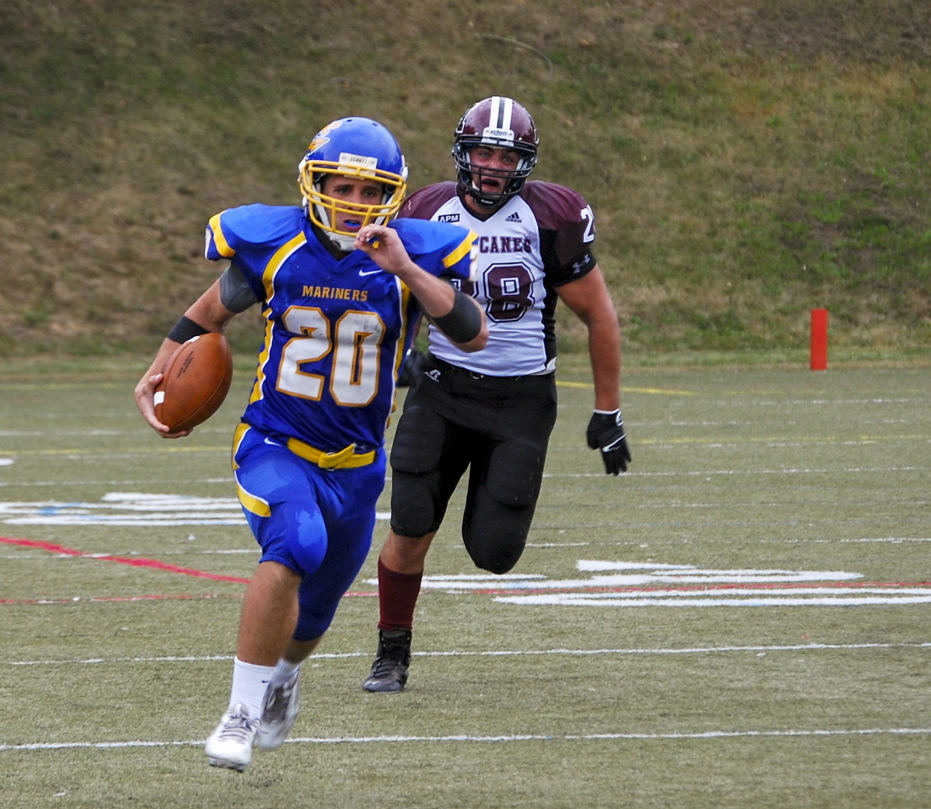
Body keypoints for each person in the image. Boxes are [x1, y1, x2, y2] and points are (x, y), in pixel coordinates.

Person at [134, 116, 487, 773]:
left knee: (318, 606)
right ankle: (238, 713)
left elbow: (473, 334)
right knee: (297, 542)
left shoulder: (410, 253)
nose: (353, 202)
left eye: (367, 190)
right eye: (342, 186)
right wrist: (159, 370)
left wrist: (404, 266)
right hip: (275, 442)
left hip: (357, 466)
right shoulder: (277, 243)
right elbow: (207, 314)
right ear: (315, 182)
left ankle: (285, 677)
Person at [362, 96, 631, 693]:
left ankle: (482, 504)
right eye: (482, 151)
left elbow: (600, 315)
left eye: (505, 156)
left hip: (521, 402)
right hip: (442, 390)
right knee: (409, 526)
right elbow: (395, 293)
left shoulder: (554, 215)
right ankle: (391, 653)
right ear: (462, 151)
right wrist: (396, 357)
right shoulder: (427, 208)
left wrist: (607, 411)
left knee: (495, 553)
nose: (490, 166)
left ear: (525, 162)